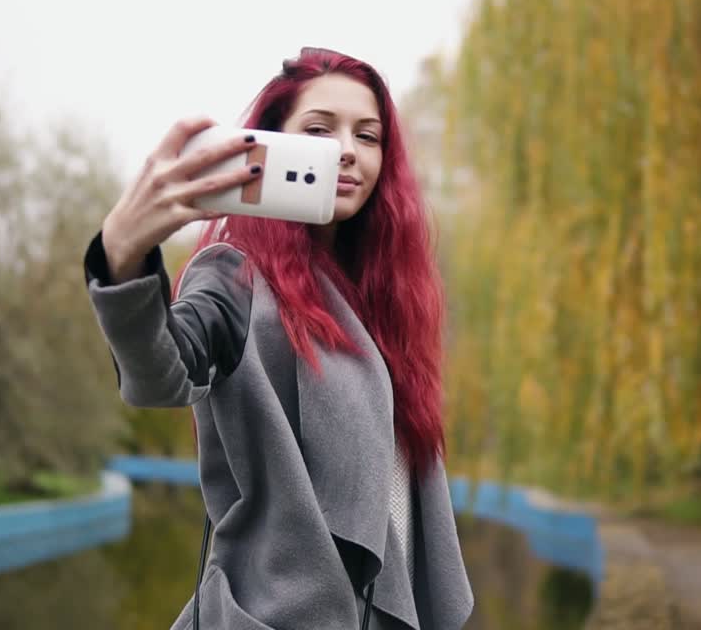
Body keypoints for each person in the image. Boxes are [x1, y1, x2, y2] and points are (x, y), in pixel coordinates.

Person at [83, 47, 474, 630]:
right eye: (319, 130)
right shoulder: (236, 275)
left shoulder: (386, 301)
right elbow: (162, 374)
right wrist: (121, 258)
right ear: (272, 144)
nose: (346, 150)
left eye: (367, 136)